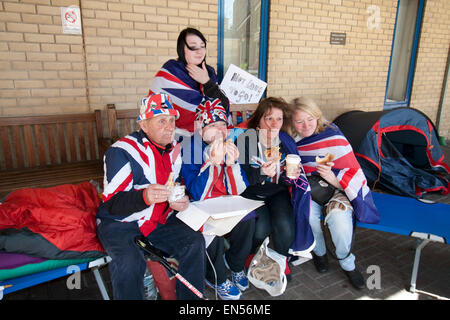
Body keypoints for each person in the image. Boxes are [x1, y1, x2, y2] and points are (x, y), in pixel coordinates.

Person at [96, 93, 206, 300]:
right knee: (130, 263)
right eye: (161, 121)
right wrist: (144, 196)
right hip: (120, 222)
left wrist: (180, 201)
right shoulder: (121, 151)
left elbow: (177, 185)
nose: (170, 126)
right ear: (144, 126)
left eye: (172, 120)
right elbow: (112, 204)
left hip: (156, 220)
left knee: (194, 242)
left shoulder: (175, 149)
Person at [290, 96, 380, 289]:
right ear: (292, 122)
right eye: (299, 121)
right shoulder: (292, 141)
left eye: (310, 119)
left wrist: (333, 178)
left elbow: (352, 172)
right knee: (308, 216)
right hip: (310, 189)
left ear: (317, 117)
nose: (305, 126)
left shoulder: (331, 136)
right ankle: (319, 253)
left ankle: (347, 263)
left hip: (339, 189)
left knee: (339, 219)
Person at [181, 98, 254, 300]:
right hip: (197, 204)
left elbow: (239, 190)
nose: (220, 130)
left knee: (248, 219)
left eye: (223, 124)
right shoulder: (189, 148)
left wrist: (232, 165)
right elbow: (196, 193)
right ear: (201, 129)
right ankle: (216, 277)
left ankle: (236, 265)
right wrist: (212, 163)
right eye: (213, 125)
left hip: (224, 201)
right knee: (211, 230)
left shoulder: (229, 145)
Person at [239, 97, 314, 278]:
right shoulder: (246, 139)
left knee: (285, 225)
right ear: (259, 119)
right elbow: (241, 177)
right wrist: (263, 173)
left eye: (279, 119)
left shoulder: (285, 141)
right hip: (252, 193)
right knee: (261, 229)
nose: (274, 124)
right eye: (269, 118)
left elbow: (291, 177)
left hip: (277, 192)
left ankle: (282, 259)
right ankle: (251, 255)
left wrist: (292, 177)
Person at [149, 27, 230, 134]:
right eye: (193, 47)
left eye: (202, 46)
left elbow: (223, 107)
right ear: (182, 49)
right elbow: (155, 109)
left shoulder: (209, 72)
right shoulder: (171, 70)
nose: (200, 52)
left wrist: (207, 82)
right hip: (176, 135)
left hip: (211, 133)